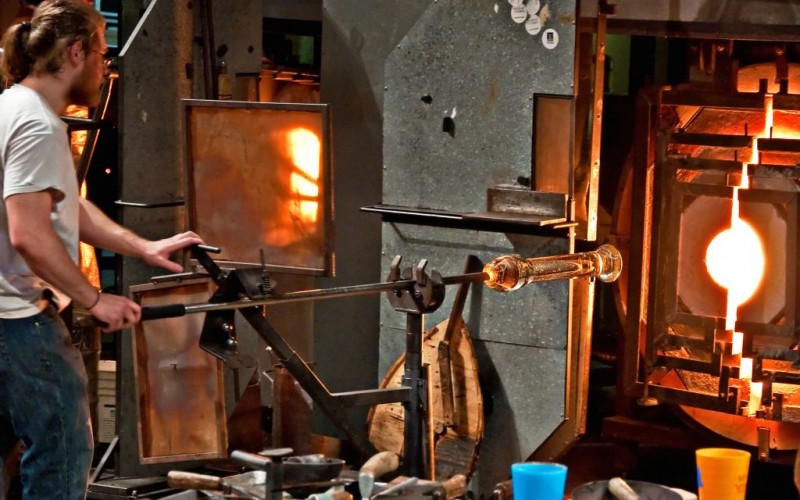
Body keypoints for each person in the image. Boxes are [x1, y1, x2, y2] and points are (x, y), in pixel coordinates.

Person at [0, 1, 203, 497]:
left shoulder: (13, 106)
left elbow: (66, 204)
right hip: (19, 322)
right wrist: (95, 299)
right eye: (102, 53)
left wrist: (143, 246)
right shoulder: (38, 126)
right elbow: (29, 232)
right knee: (62, 452)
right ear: (75, 53)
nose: (106, 67)